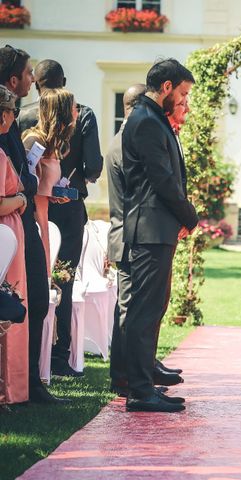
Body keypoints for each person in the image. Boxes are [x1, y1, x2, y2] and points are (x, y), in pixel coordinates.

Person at [121, 59, 198, 412]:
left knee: (151, 309)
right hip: (150, 228)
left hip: (156, 227)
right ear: (166, 87)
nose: (184, 100)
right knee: (144, 311)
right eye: (182, 92)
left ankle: (144, 383)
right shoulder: (147, 120)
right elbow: (162, 179)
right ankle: (139, 390)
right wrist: (189, 215)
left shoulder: (151, 118)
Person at [19, 60, 103, 377]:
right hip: (66, 209)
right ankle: (59, 352)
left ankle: (32, 350)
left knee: (32, 279)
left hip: (32, 208)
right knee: (63, 278)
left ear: (37, 84)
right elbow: (94, 167)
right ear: (64, 81)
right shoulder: (82, 113)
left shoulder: (22, 114)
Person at [0, 45, 65, 403]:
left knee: (35, 300)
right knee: (21, 302)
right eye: (27, 74)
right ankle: (19, 386)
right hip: (12, 220)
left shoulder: (11, 118)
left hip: (22, 216)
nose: (32, 79)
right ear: (14, 79)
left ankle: (30, 383)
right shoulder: (9, 119)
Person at [22, 88, 77, 274]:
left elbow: (42, 184)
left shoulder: (55, 144)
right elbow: (22, 182)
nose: (76, 112)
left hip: (44, 221)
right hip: (31, 222)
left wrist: (56, 193)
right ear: (61, 111)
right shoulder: (34, 140)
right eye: (73, 107)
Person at [0, 85, 29, 405]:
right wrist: (21, 198)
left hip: (10, 233)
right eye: (10, 112)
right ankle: (10, 388)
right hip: (5, 237)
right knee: (10, 302)